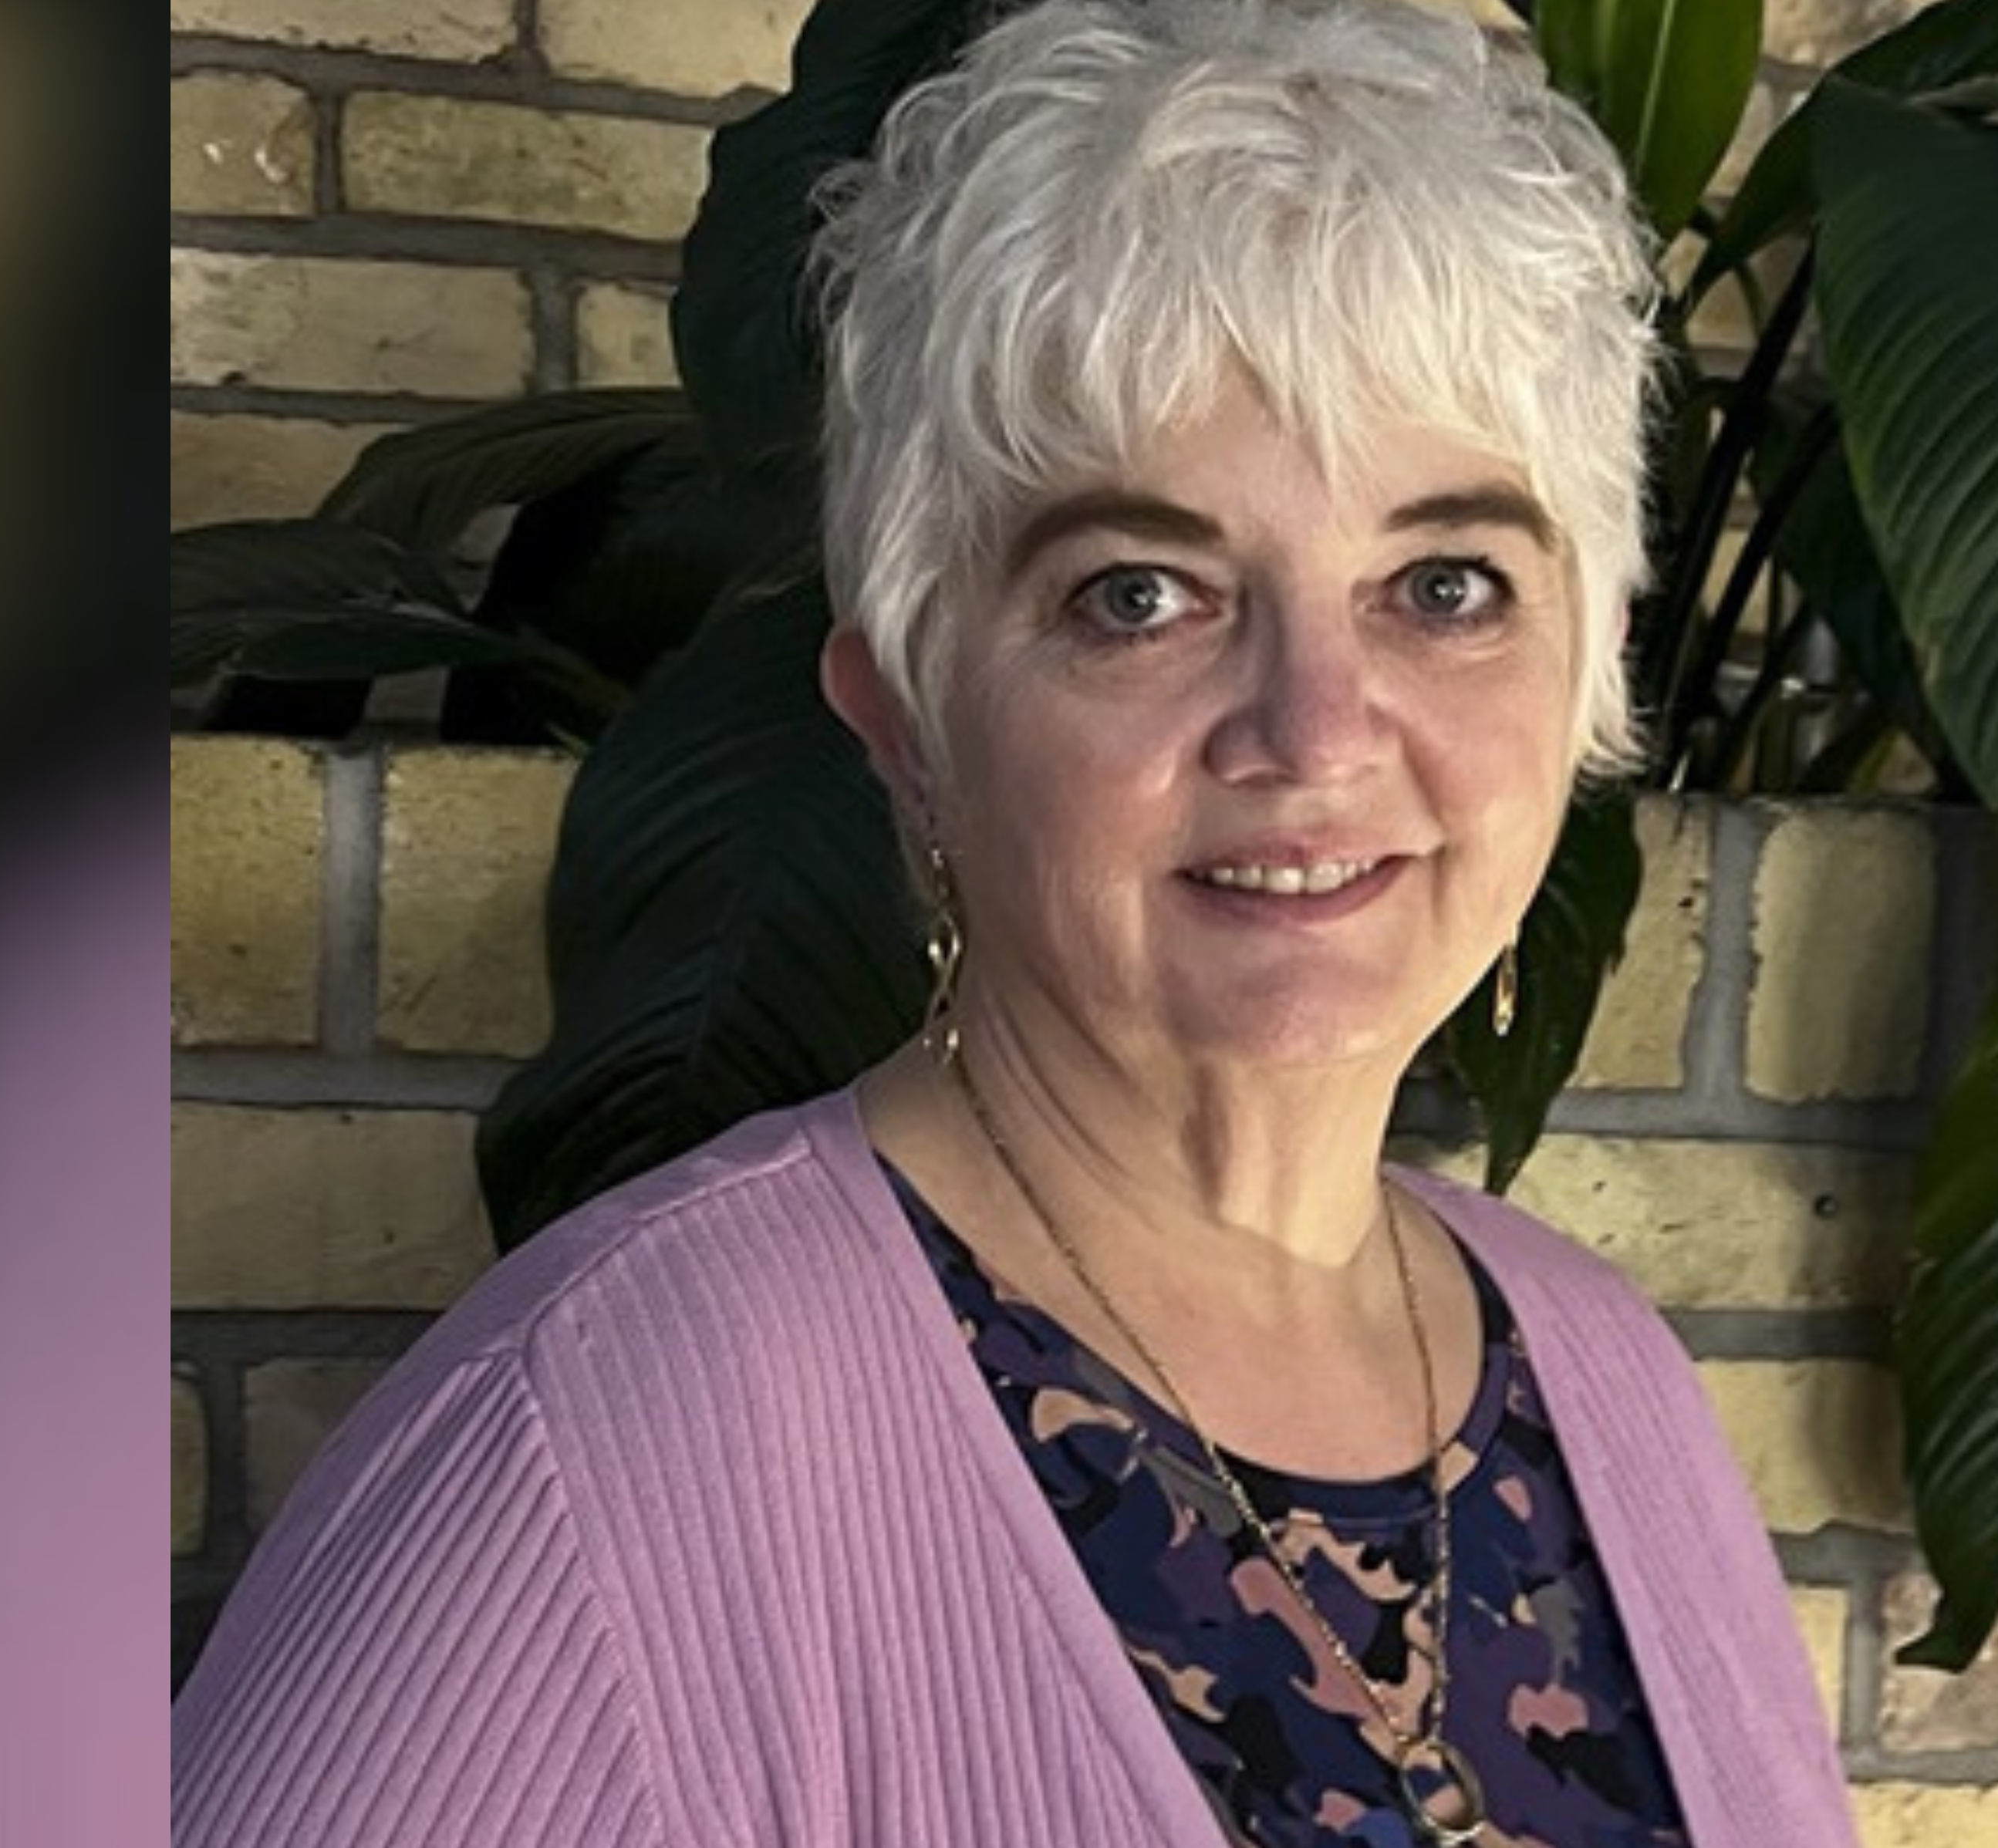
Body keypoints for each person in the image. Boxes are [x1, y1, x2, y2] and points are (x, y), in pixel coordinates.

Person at [173, 2, 1856, 1843]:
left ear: (1588, 671)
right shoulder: (587, 1455)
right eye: (1139, 592)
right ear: (905, 713)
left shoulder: (1608, 1381)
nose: (1313, 731)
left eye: (1444, 584)